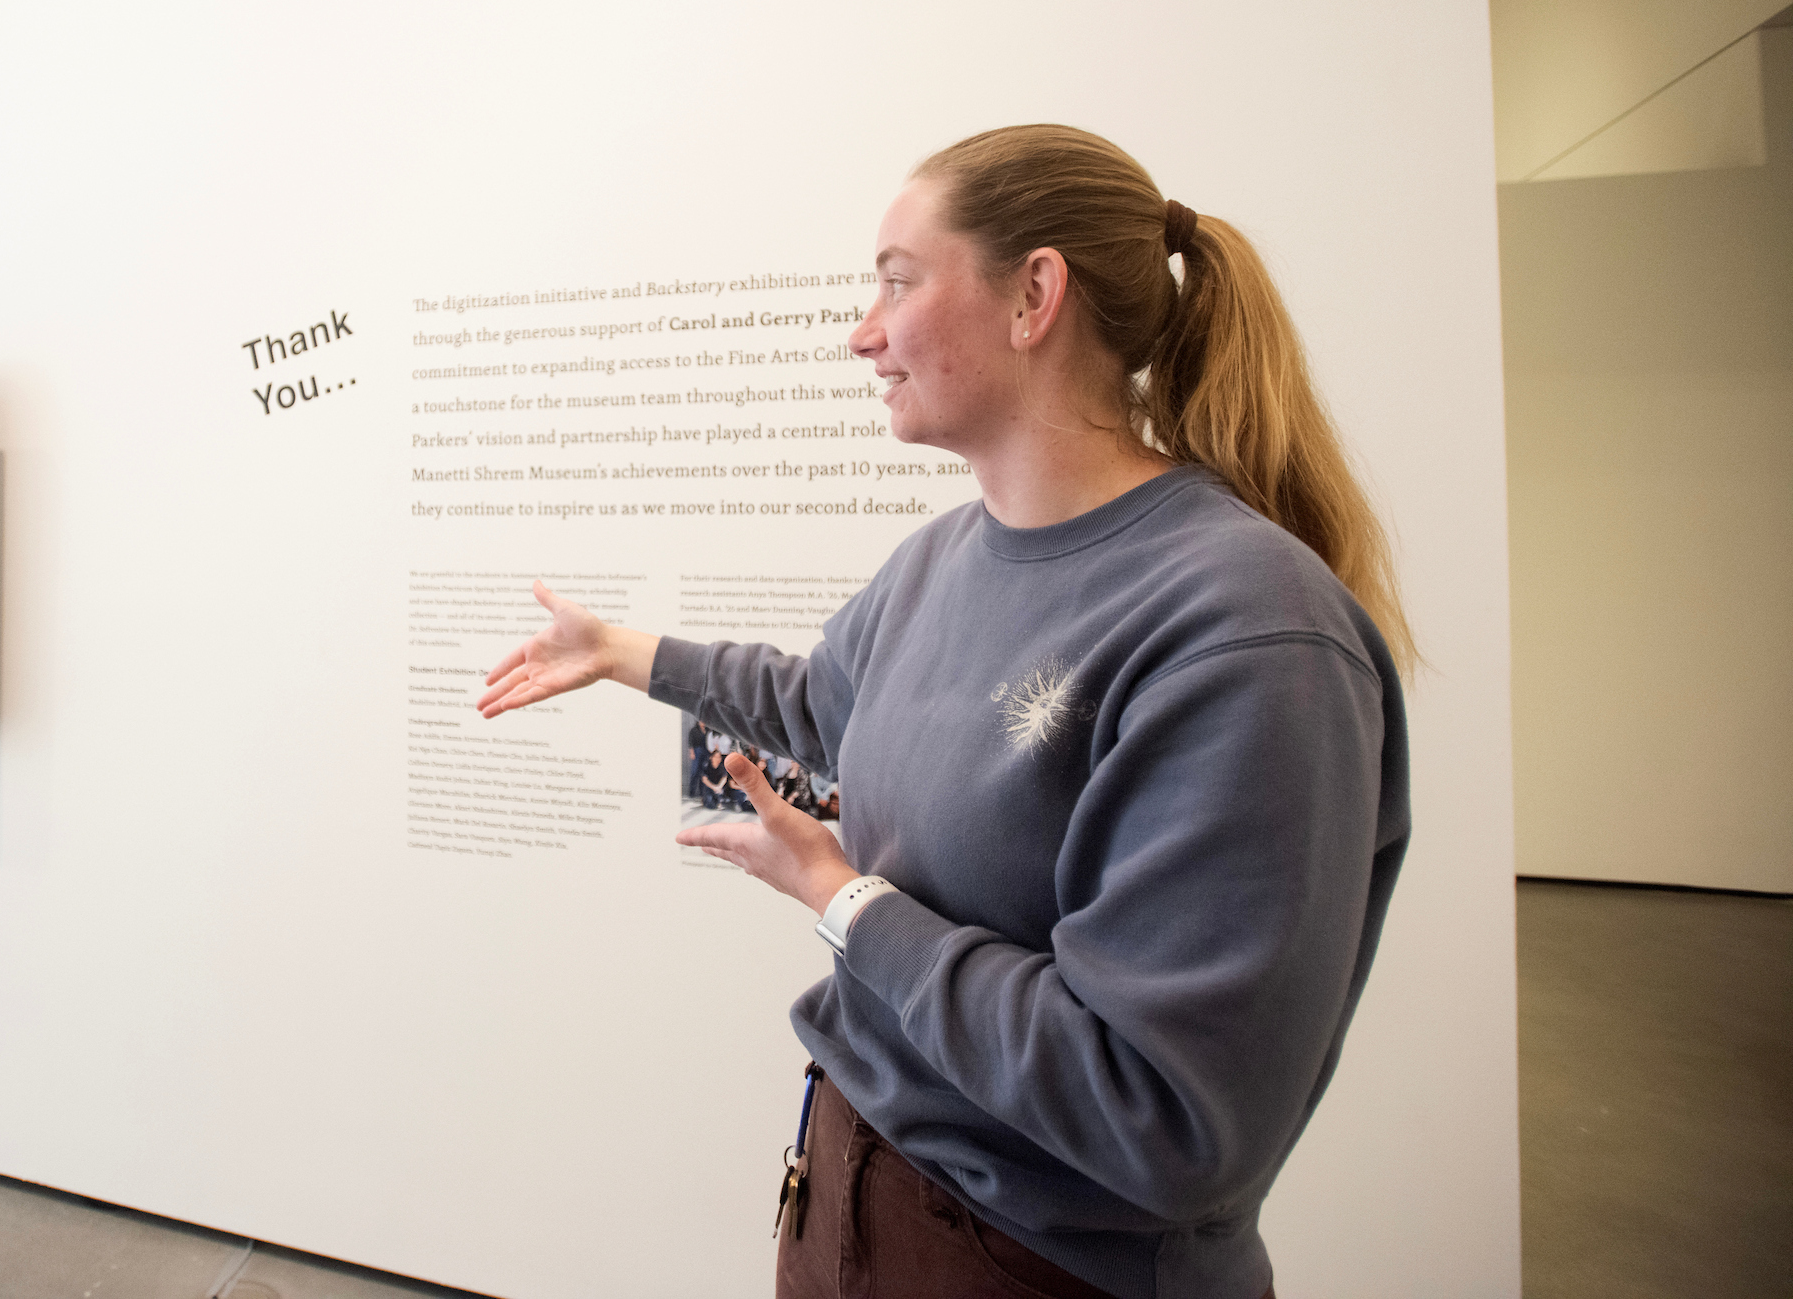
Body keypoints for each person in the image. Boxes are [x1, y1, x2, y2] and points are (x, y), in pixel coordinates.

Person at [477, 124, 1413, 1299]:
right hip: (849, 1187)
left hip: (1040, 1264)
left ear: (1034, 296)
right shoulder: (942, 560)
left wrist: (846, 901)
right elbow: (824, 702)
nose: (862, 330)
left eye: (898, 281)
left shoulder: (1249, 632)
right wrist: (621, 652)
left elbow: (1164, 1117)